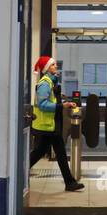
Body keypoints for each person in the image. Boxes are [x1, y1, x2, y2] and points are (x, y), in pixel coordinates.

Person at [30, 56, 84, 191]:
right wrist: (62, 106)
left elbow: (51, 99)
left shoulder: (52, 82)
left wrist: (63, 100)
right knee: (42, 152)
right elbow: (43, 105)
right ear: (47, 68)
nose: (56, 66)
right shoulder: (45, 83)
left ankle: (69, 182)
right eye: (53, 65)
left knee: (58, 153)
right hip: (47, 126)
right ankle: (20, 172)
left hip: (52, 125)